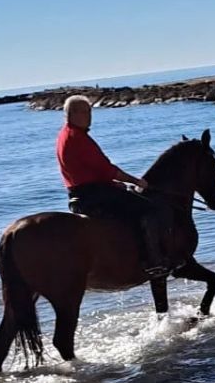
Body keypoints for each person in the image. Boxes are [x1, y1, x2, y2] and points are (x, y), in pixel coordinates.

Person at [56, 95, 171, 277]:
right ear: (72, 114)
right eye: (85, 112)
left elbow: (88, 170)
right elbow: (106, 168)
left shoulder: (65, 134)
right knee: (150, 209)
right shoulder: (77, 137)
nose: (89, 116)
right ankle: (154, 262)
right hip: (93, 194)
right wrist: (136, 181)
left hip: (82, 191)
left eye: (89, 111)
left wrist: (112, 184)